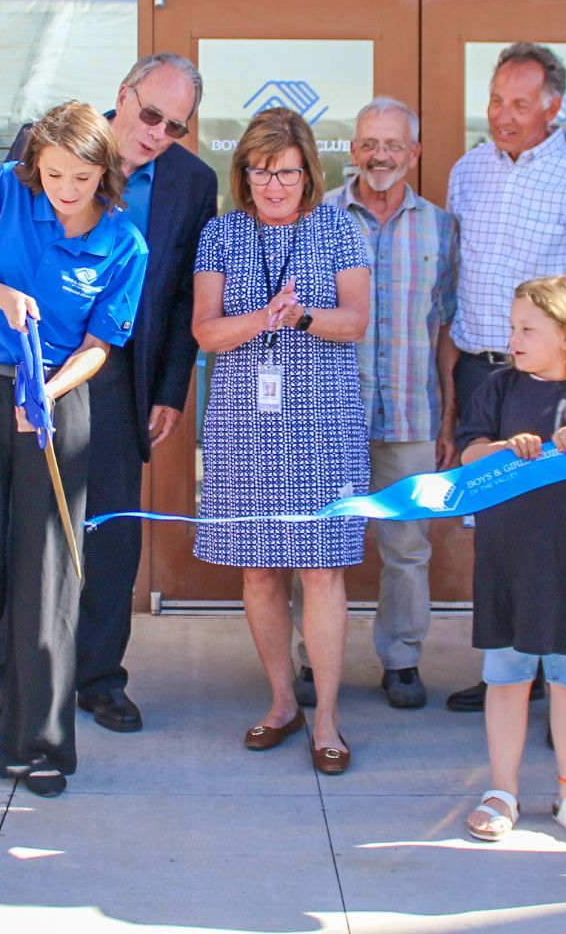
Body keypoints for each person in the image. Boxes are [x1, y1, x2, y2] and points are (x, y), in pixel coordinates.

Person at [0, 101, 148, 797]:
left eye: (81, 177)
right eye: (54, 174)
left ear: (104, 173)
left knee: (49, 576)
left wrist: (46, 396)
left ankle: (40, 744)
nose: (66, 189)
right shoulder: (4, 191)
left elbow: (100, 346)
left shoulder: (125, 244)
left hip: (54, 403)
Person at [11, 53, 217, 733]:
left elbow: (188, 291)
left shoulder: (192, 182)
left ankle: (99, 677)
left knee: (111, 536)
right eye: (150, 114)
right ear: (121, 95)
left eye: (175, 126)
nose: (158, 133)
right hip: (35, 362)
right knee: (34, 525)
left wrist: (170, 389)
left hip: (124, 374)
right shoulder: (52, 140)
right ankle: (25, 672)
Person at [443, 41, 566, 713]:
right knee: (498, 531)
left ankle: (564, 679)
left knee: (556, 533)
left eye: (520, 103)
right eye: (496, 100)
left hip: (558, 387)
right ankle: (508, 667)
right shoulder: (466, 172)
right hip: (485, 377)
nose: (504, 115)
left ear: (555, 107)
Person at [193, 107, 371, 775]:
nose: (274, 186)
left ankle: (325, 716)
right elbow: (205, 332)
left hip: (323, 417)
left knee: (322, 568)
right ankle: (280, 702)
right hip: (245, 419)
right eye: (261, 172)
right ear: (243, 173)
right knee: (260, 569)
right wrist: (258, 319)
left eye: (287, 173)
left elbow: (355, 322)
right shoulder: (220, 235)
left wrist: (300, 317)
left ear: (308, 173)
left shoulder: (338, 228)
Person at [455, 276, 566, 847]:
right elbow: (468, 456)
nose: (514, 339)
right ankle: (502, 792)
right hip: (507, 554)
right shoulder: (498, 387)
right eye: (512, 328)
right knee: (506, 676)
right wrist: (504, 450)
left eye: (528, 329)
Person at [306, 96, 458, 710]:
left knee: (407, 547)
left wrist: (449, 414)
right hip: (329, 413)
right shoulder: (319, 219)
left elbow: (446, 327)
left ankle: (402, 660)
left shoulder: (442, 227)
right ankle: (306, 660)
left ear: (414, 153)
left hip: (412, 411)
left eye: (393, 145)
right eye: (369, 143)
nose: (380, 156)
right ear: (353, 150)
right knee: (313, 546)